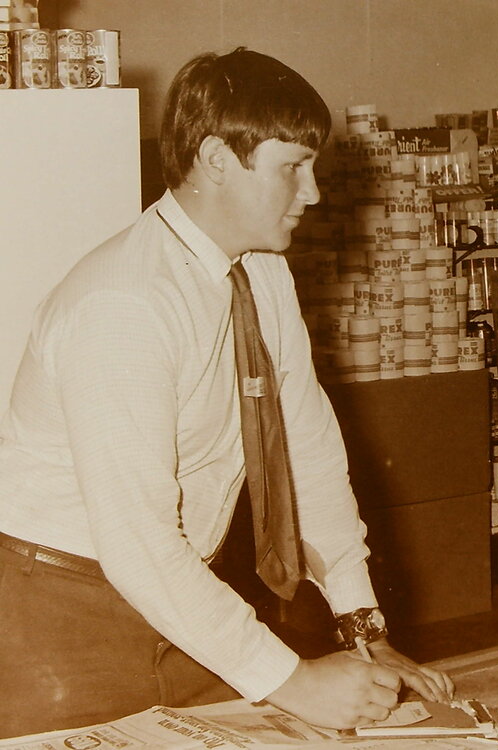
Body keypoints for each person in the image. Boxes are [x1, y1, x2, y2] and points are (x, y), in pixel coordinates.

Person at [0, 47, 452, 738]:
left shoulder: (262, 273)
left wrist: (362, 626)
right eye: (292, 168)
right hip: (63, 613)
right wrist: (294, 680)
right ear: (216, 159)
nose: (314, 193)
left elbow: (308, 451)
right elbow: (138, 543)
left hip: (180, 596)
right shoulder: (124, 304)